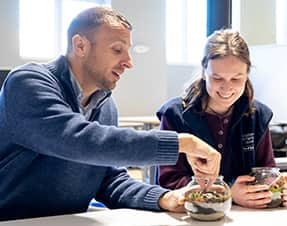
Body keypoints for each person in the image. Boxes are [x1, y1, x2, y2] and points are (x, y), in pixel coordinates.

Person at [0, 6, 221, 221]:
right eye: (117, 49)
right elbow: (77, 140)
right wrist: (181, 143)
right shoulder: (27, 83)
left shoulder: (106, 106)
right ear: (80, 45)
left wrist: (164, 197)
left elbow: (109, 180)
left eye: (128, 51)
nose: (128, 62)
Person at [156, 29, 287, 209]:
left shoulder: (257, 115)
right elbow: (169, 182)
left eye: (236, 78)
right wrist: (226, 191)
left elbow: (265, 171)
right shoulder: (175, 115)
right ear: (204, 70)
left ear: (247, 74)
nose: (227, 88)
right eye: (217, 77)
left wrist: (275, 188)